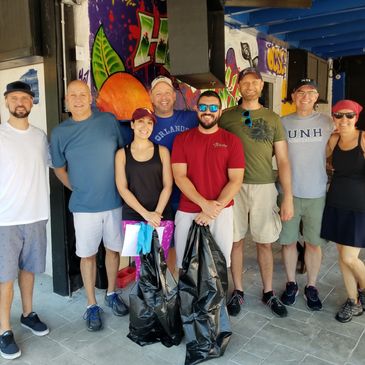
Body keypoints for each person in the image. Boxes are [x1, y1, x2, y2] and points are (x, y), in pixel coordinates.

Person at [50, 80, 127, 332]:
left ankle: (112, 293)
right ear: (66, 100)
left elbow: (121, 153)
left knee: (114, 251)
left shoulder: (108, 121)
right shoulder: (60, 132)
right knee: (87, 255)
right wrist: (75, 187)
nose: (78, 99)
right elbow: (58, 167)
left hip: (114, 202)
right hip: (83, 207)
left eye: (82, 94)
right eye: (73, 95)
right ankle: (91, 305)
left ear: (90, 97)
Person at [219, 67, 293, 318]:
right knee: (235, 241)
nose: (249, 86)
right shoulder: (226, 118)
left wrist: (288, 197)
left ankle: (268, 292)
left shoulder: (273, 119)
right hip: (233, 186)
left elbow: (282, 160)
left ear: (261, 86)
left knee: (265, 242)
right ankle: (237, 291)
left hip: (264, 187)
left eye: (254, 82)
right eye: (245, 83)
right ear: (238, 87)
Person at [0, 81, 49, 360]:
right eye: (14, 97)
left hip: (36, 216)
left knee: (29, 270)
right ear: (7, 101)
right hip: (5, 219)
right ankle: (4, 330)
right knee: (5, 277)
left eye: (25, 98)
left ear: (32, 103)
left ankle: (28, 314)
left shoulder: (40, 136)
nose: (20, 102)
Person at [171, 90, 245, 273]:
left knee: (218, 263)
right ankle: (188, 301)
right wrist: (205, 205)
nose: (208, 111)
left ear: (220, 111)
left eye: (213, 107)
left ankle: (216, 302)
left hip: (221, 211)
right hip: (188, 210)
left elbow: (236, 180)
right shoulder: (182, 139)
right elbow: (179, 177)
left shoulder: (232, 141)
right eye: (203, 107)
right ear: (197, 109)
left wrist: (213, 209)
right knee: (185, 263)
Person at [278, 79, 333, 311]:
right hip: (288, 192)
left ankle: (311, 285)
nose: (306, 96)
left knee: (313, 243)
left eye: (311, 92)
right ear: (293, 96)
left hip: (317, 192)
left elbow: (336, 147)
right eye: (301, 92)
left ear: (317, 96)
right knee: (289, 242)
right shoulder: (282, 123)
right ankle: (291, 283)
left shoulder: (328, 122)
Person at [115, 107, 174, 276]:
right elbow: (122, 188)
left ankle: (161, 301)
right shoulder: (122, 154)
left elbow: (168, 185)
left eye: (149, 122)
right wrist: (146, 214)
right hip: (134, 217)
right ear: (132, 125)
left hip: (161, 216)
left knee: (159, 264)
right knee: (141, 266)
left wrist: (156, 213)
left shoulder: (162, 151)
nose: (145, 126)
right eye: (140, 121)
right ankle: (145, 301)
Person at [320, 99, 365, 323]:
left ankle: (363, 290)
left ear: (356, 118)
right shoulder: (334, 139)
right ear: (333, 118)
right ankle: (353, 300)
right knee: (342, 257)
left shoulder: (364, 139)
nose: (344, 120)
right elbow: (320, 158)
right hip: (336, 202)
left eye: (349, 115)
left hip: (359, 207)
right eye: (339, 115)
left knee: (350, 257)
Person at [149, 76, 198, 271]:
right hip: (160, 197)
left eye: (167, 93)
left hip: (188, 194)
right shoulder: (145, 123)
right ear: (151, 97)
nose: (163, 97)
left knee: (189, 243)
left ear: (174, 95)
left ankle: (186, 285)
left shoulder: (191, 118)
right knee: (167, 245)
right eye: (158, 93)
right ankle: (171, 284)